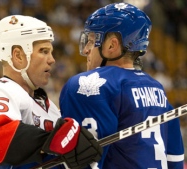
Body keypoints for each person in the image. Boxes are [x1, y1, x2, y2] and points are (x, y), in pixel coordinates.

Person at [0, 15, 102, 169]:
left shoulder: (51, 109)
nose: (52, 60)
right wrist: (54, 139)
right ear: (18, 56)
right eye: (44, 51)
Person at [59, 2, 184, 169]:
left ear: (112, 45)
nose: (87, 49)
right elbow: (175, 159)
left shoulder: (89, 84)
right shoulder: (157, 88)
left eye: (91, 41)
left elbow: (84, 164)